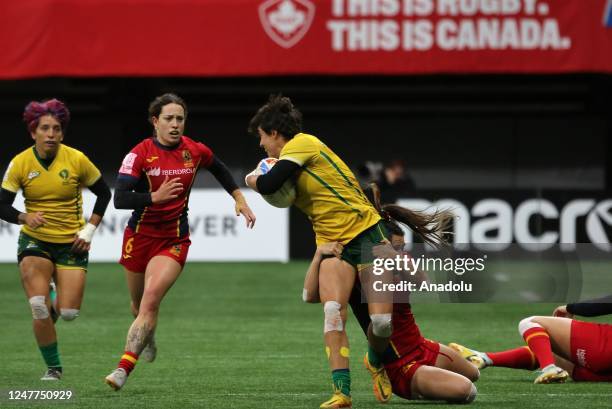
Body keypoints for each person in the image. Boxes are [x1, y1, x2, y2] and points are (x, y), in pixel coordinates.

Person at [245, 95, 452, 408]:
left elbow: (271, 183)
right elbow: (278, 186)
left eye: (261, 137)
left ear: (274, 133)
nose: (261, 145)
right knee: (332, 313)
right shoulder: (291, 164)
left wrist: (251, 179)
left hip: (369, 235)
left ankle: (374, 359)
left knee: (382, 324)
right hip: (332, 244)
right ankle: (341, 393)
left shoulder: (303, 143)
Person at [105, 93, 256, 390]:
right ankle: (147, 334)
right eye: (168, 119)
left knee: (150, 300)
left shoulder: (194, 151)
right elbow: (119, 198)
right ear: (155, 121)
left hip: (173, 240)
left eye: (180, 119)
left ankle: (123, 368)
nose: (175, 125)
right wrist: (154, 197)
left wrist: (239, 198)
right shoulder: (139, 154)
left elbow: (220, 169)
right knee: (137, 305)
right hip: (138, 238)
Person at [303, 220, 479, 404]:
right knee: (468, 391)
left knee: (474, 374)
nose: (400, 250)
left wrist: (394, 255)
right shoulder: (353, 269)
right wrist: (317, 256)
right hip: (400, 366)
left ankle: (443, 368)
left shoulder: (399, 258)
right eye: (395, 246)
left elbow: (424, 282)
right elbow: (311, 296)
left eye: (401, 247)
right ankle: (384, 366)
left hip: (420, 345)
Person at [0, 99, 112, 380]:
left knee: (69, 312)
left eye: (57, 129)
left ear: (63, 133)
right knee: (38, 307)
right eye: (45, 128)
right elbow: (2, 204)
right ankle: (54, 367)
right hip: (35, 241)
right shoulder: (21, 163)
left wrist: (89, 229)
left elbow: (104, 193)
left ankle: (53, 296)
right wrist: (24, 218)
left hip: (72, 242)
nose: (51, 133)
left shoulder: (76, 159)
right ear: (33, 132)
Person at [450, 295, 612, 384]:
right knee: (550, 351)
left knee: (530, 323)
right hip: (603, 371)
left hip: (604, 348)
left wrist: (571, 308)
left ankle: (549, 369)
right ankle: (484, 358)